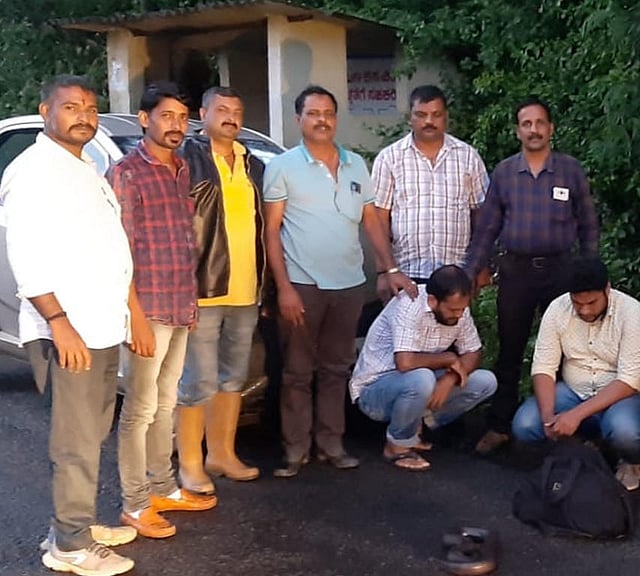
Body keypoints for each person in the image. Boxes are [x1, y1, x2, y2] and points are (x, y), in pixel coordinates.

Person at [2, 74, 135, 576]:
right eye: (70, 106)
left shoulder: (83, 167)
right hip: (69, 326)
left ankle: (70, 523)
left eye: (90, 107)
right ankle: (72, 546)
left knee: (91, 431)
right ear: (45, 111)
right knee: (74, 439)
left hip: (101, 324)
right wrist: (59, 322)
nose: (83, 115)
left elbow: (109, 248)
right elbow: (27, 255)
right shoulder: (34, 171)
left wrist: (129, 316)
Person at [263, 85, 417, 476]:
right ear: (298, 119)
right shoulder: (282, 167)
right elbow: (271, 232)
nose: (322, 120)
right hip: (302, 286)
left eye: (328, 113)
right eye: (313, 113)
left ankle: (331, 444)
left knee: (335, 369)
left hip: (348, 285)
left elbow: (371, 222)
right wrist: (283, 288)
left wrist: (390, 267)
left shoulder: (355, 165)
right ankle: (295, 450)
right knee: (297, 371)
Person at [107, 82, 217, 540]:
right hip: (147, 307)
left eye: (181, 117)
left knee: (166, 402)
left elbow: (183, 244)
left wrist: (189, 304)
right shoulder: (127, 173)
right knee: (140, 407)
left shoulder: (180, 170)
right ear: (144, 118)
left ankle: (162, 487)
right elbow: (120, 250)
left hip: (177, 303)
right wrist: (133, 314)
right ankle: (134, 503)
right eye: (166, 115)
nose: (175, 125)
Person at [464, 96, 599, 455]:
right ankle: (500, 424)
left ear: (551, 128)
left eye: (540, 123)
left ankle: (561, 424)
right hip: (516, 273)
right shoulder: (506, 173)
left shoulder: (570, 170)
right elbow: (487, 229)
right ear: (517, 131)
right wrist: (469, 271)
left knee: (566, 350)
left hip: (561, 272)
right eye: (527, 124)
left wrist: (591, 275)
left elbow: (588, 225)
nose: (534, 130)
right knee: (510, 349)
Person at [177, 86, 266, 493]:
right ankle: (190, 464)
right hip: (204, 287)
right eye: (222, 109)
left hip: (246, 289)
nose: (231, 116)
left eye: (237, 109)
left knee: (234, 378)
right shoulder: (187, 158)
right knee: (198, 381)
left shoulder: (253, 164)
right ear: (203, 113)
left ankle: (222, 454)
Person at [511, 256, 640, 490]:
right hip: (574, 390)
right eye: (578, 303)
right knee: (526, 424)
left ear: (607, 289)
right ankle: (581, 450)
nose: (585, 310)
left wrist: (575, 415)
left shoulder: (632, 313)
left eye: (591, 302)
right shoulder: (558, 309)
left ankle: (631, 461)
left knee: (625, 433)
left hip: (625, 395)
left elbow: (629, 380)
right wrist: (549, 415)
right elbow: (543, 367)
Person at [350, 265, 497, 470]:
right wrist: (448, 358)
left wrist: (450, 378)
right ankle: (397, 446)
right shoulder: (409, 304)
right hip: (375, 391)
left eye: (462, 309)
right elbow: (405, 362)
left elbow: (474, 352)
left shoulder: (459, 310)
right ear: (432, 300)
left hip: (417, 384)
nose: (459, 315)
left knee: (486, 381)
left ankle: (417, 425)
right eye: (453, 310)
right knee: (422, 378)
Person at [371, 85, 489, 285]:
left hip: (458, 273)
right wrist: (385, 272)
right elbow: (378, 220)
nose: (428, 121)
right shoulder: (389, 158)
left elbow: (481, 215)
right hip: (406, 274)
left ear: (446, 117)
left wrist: (481, 265)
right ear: (410, 117)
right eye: (421, 114)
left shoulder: (468, 156)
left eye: (436, 115)